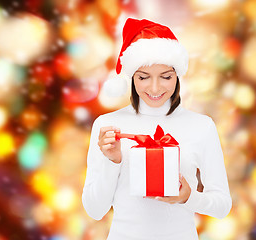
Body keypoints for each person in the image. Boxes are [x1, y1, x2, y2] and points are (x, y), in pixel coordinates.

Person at [82, 17, 232, 240]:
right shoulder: (108, 126)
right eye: (143, 77)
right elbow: (95, 210)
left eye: (165, 77)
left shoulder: (201, 126)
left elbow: (222, 206)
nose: (155, 88)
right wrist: (113, 162)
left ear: (177, 75)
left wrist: (189, 197)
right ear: (132, 76)